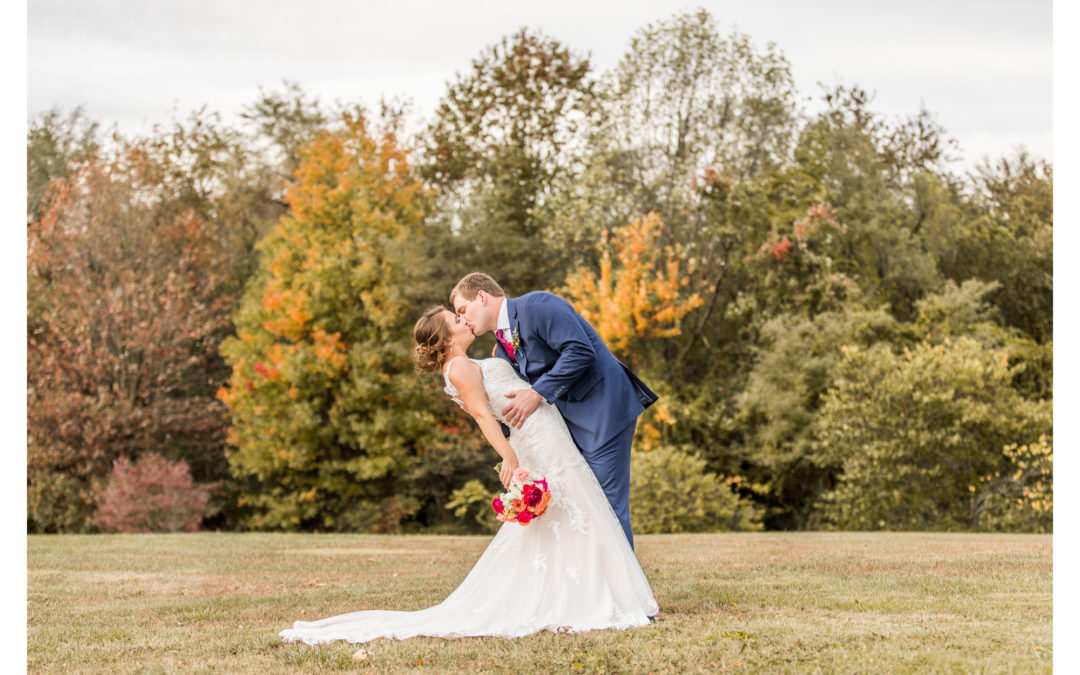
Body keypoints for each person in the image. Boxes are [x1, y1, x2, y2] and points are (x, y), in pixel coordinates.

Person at [278, 306, 657, 645]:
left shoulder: (473, 359)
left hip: (546, 432)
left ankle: (590, 591)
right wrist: (509, 456)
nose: (461, 320)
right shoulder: (458, 368)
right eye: (453, 319)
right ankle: (589, 596)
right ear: (445, 338)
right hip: (534, 440)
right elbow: (481, 415)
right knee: (573, 510)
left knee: (575, 511)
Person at [450, 273, 657, 549]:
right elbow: (517, 405)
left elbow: (581, 350)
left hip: (603, 411)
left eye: (463, 310)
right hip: (567, 428)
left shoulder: (538, 305)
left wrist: (537, 393)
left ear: (482, 297)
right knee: (585, 505)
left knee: (606, 506)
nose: (463, 320)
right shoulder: (501, 350)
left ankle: (624, 591)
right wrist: (481, 411)